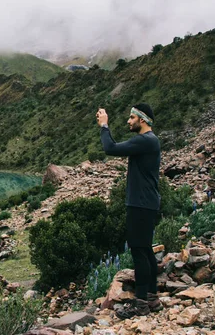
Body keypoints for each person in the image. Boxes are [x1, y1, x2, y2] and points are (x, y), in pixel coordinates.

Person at [96, 104, 162, 319]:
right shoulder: (150, 141)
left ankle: (141, 302)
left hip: (140, 203)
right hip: (147, 202)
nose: (128, 121)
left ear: (142, 120)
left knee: (138, 251)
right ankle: (151, 297)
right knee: (146, 250)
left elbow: (110, 148)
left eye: (132, 117)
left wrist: (104, 125)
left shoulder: (145, 140)